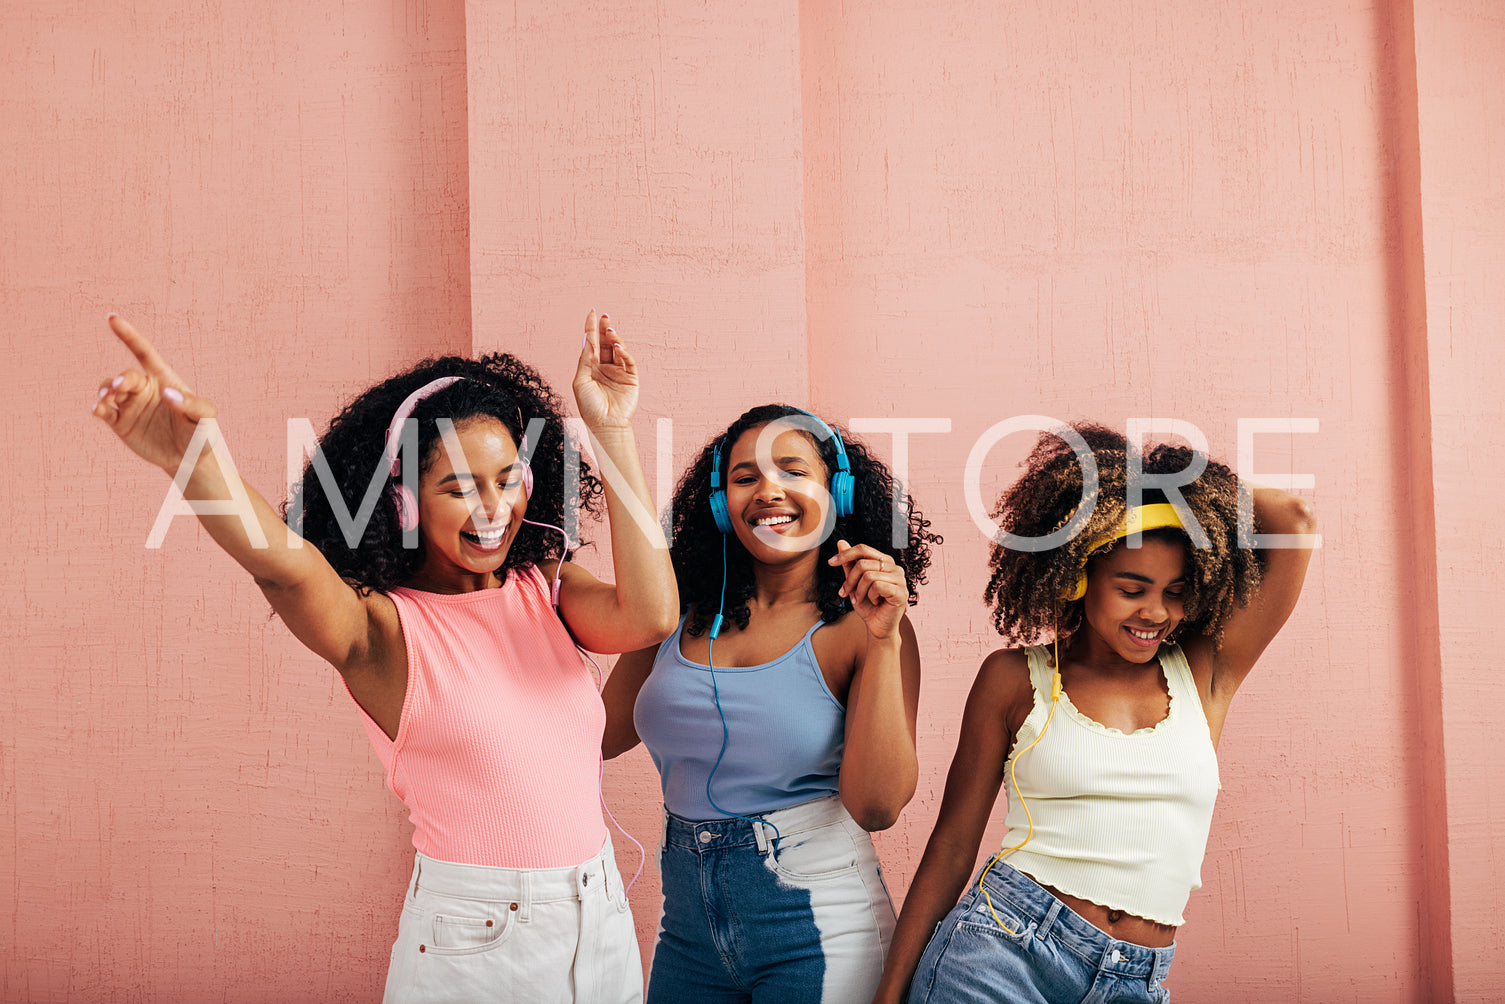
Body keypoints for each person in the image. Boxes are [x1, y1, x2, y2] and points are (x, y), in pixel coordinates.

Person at [93, 311, 678, 1004]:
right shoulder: (380, 629)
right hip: (479, 937)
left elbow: (651, 616)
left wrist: (609, 428)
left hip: (600, 915)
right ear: (402, 501)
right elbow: (285, 568)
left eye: (505, 477)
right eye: (459, 487)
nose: (492, 507)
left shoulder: (542, 586)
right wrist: (194, 463)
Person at [874, 423, 1317, 1004]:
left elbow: (1292, 520)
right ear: (1077, 576)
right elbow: (953, 847)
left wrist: (1164, 488)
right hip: (1004, 951)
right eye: (1132, 588)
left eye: (1176, 591)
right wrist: (888, 993)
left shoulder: (1204, 671)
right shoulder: (1014, 678)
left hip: (1136, 978)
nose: (1156, 612)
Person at [602, 404, 942, 1004]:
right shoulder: (678, 611)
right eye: (744, 478)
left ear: (837, 491)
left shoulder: (865, 629)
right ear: (718, 501)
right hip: (687, 928)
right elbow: (599, 735)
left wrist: (885, 639)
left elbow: (877, 806)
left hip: (818, 923)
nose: (768, 491)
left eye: (792, 471)